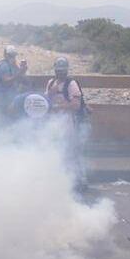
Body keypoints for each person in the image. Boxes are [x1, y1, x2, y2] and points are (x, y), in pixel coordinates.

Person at [45, 56, 88, 188]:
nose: (60, 73)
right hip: (53, 123)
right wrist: (50, 93)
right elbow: (45, 100)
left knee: (70, 152)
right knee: (55, 150)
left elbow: (76, 105)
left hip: (68, 122)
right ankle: (58, 179)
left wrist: (58, 107)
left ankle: (78, 180)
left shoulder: (71, 84)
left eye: (63, 71)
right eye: (58, 70)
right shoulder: (51, 83)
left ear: (66, 70)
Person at [0, 44, 29, 116]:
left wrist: (23, 70)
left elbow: (21, 78)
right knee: (5, 116)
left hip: (12, 95)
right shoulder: (3, 66)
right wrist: (19, 73)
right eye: (11, 55)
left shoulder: (13, 65)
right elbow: (6, 82)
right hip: (4, 97)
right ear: (6, 55)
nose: (13, 57)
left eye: (14, 55)